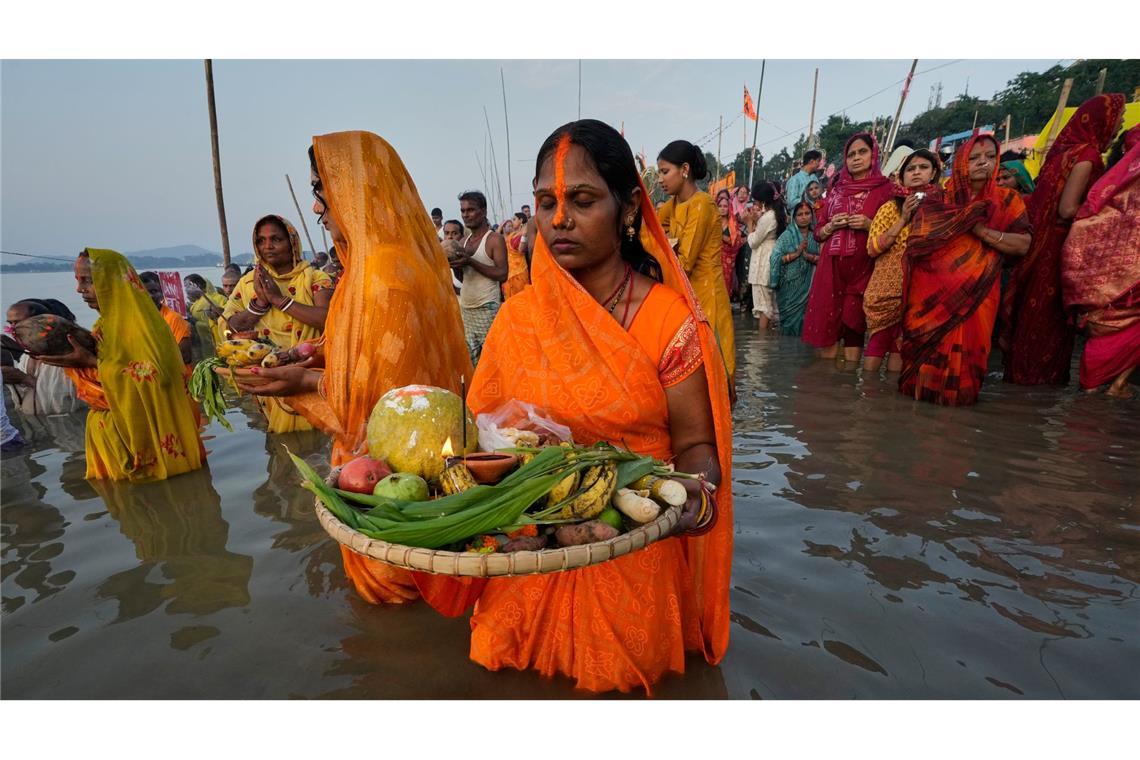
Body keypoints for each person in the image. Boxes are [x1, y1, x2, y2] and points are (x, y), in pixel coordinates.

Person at [420, 119, 732, 694]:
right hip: (527, 551)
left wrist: (688, 489)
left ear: (629, 207)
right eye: (546, 202)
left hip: (628, 543)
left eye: (582, 200)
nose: (558, 218)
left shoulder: (668, 321)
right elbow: (479, 437)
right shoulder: (518, 318)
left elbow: (696, 445)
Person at [233, 130, 473, 606]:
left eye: (322, 193)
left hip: (391, 475)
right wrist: (309, 354)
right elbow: (362, 346)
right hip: (413, 469)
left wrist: (300, 382)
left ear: (353, 195)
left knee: (395, 598)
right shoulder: (376, 264)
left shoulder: (384, 274)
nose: (319, 209)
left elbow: (384, 401)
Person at [35, 249, 205, 481]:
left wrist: (89, 362)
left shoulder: (145, 328)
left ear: (113, 283)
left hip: (149, 441)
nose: (79, 289)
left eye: (88, 281)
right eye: (78, 281)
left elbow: (160, 379)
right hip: (116, 436)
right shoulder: (103, 326)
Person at [1001, 93, 1126, 386]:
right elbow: (1068, 208)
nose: (1117, 126)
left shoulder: (1060, 154)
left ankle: (1017, 381)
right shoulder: (1088, 156)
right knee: (1048, 324)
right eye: (1116, 120)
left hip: (1039, 247)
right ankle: (1037, 388)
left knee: (1029, 318)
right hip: (1059, 250)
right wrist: (1110, 213)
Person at [900, 134, 1032, 406]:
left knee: (965, 375)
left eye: (990, 157)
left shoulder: (1007, 201)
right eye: (974, 158)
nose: (983, 163)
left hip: (978, 297)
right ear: (961, 162)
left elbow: (1022, 245)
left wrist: (980, 230)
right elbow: (916, 245)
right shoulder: (937, 199)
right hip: (928, 300)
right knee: (920, 377)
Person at [222, 214, 333, 433]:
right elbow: (228, 327)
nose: (268, 246)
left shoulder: (315, 278)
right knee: (280, 448)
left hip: (309, 377)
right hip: (267, 379)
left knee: (319, 443)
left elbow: (329, 319)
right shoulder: (246, 284)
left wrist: (279, 300)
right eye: (261, 241)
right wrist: (259, 304)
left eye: (276, 239)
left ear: (292, 242)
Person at [1061, 124, 1140, 398]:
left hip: (1096, 289)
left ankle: (1107, 386)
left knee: (1104, 334)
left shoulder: (1104, 192)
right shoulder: (1119, 191)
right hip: (1121, 286)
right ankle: (1116, 384)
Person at [803, 132, 894, 363]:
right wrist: (831, 226)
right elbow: (818, 232)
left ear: (873, 155)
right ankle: (829, 389)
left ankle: (849, 385)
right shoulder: (836, 190)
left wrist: (868, 224)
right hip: (831, 268)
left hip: (865, 267)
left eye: (862, 152)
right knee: (828, 324)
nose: (856, 158)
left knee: (854, 325)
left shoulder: (885, 190)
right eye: (851, 154)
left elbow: (896, 232)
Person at [656, 139, 737, 384]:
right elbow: (654, 227)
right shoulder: (674, 204)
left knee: (713, 366)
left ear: (685, 170)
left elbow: (685, 261)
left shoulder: (701, 204)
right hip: (685, 294)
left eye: (664, 172)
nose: (660, 179)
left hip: (706, 295)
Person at [863, 149, 941, 373]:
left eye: (923, 167)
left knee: (901, 345)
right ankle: (867, 398)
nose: (916, 173)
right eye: (911, 168)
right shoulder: (889, 208)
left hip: (921, 290)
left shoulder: (941, 207)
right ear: (902, 175)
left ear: (934, 173)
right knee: (878, 343)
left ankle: (889, 401)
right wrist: (904, 218)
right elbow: (872, 248)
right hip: (887, 289)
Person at [450, 190, 508, 366]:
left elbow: (502, 274)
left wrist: (471, 262)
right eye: (463, 211)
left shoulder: (494, 239)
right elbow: (463, 278)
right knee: (473, 364)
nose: (466, 215)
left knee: (493, 361)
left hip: (487, 307)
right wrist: (456, 265)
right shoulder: (464, 242)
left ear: (483, 211)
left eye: (471, 210)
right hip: (467, 308)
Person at [4, 299, 85, 416]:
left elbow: (61, 405)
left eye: (18, 323)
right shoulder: (27, 355)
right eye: (10, 324)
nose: (13, 330)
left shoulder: (67, 356)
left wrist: (25, 380)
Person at [769, 200, 820, 336]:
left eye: (807, 213)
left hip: (809, 287)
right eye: (799, 214)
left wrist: (809, 257)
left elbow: (824, 259)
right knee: (788, 326)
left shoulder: (816, 237)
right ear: (794, 217)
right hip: (788, 289)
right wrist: (796, 254)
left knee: (806, 323)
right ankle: (788, 353)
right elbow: (775, 258)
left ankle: (801, 354)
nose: (804, 217)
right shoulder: (786, 236)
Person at [745, 181, 786, 331]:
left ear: (762, 201)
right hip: (769, 259)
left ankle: (762, 342)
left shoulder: (768, 217)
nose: (754, 203)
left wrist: (749, 224)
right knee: (770, 304)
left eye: (755, 200)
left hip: (763, 263)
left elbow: (754, 242)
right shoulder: (774, 215)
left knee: (764, 306)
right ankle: (769, 340)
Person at [139, 271, 193, 369]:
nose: (150, 296)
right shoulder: (133, 320)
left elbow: (185, 356)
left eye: (154, 291)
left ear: (162, 293)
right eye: (145, 292)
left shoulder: (173, 318)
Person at [183, 274, 228, 357]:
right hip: (204, 345)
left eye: (187, 286)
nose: (186, 290)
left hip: (218, 341)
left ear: (198, 286)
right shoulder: (196, 303)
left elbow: (224, 318)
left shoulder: (217, 299)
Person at [715, 189, 742, 299]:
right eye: (720, 206)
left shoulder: (732, 222)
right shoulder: (712, 221)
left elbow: (734, 242)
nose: (722, 208)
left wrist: (719, 235)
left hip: (727, 259)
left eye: (725, 206)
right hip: (713, 259)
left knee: (725, 284)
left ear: (729, 208)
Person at [502, 211, 531, 300]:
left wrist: (524, 235)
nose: (512, 221)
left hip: (519, 271)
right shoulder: (511, 235)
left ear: (521, 220)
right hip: (509, 272)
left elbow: (521, 249)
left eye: (514, 219)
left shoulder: (525, 233)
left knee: (521, 300)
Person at [784, 149, 823, 214]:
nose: (819, 164)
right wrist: (805, 199)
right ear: (811, 161)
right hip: (801, 219)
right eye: (818, 161)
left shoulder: (814, 177)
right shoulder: (795, 179)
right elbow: (790, 203)